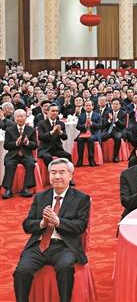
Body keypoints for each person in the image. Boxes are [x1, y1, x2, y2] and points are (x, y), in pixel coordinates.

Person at [13, 159, 90, 302]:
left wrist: (58, 222)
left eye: (62, 172)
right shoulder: (40, 197)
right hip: (38, 246)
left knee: (65, 268)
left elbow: (80, 226)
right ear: (49, 176)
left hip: (64, 246)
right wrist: (42, 223)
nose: (57, 176)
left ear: (71, 175)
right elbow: (27, 225)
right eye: (53, 173)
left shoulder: (81, 198)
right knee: (21, 271)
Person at [2, 109, 38, 198]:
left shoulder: (31, 130)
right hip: (13, 155)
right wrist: (16, 143)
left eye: (22, 116)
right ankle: (8, 189)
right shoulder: (9, 130)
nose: (20, 119)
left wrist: (27, 143)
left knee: (30, 164)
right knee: (9, 164)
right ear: (14, 118)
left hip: (26, 155)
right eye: (18, 117)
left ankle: (26, 188)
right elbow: (6, 146)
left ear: (26, 118)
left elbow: (35, 145)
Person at [36, 104, 72, 170]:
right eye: (53, 111)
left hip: (57, 149)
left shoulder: (61, 123)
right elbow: (40, 137)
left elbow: (65, 138)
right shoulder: (41, 123)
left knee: (68, 155)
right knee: (47, 157)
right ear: (48, 112)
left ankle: (68, 174)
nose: (55, 113)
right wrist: (52, 132)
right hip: (45, 149)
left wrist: (60, 132)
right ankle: (52, 173)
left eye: (56, 111)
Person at [74, 100, 101, 167]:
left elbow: (100, 126)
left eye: (89, 105)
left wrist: (92, 123)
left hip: (93, 133)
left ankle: (91, 158)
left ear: (92, 106)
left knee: (90, 139)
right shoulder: (81, 116)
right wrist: (85, 125)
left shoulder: (98, 115)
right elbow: (78, 127)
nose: (88, 107)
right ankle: (80, 159)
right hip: (84, 133)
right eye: (86, 106)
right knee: (79, 140)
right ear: (84, 107)